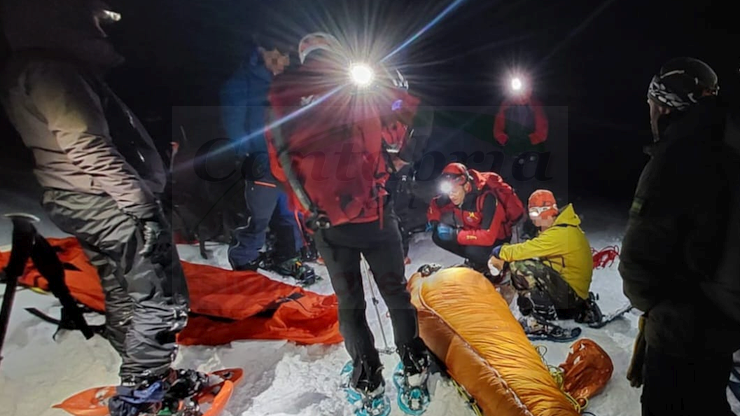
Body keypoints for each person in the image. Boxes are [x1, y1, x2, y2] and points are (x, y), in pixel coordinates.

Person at [0, 1, 202, 415]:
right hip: (105, 200)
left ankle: (146, 373)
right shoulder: (52, 71)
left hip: (82, 198)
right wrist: (141, 204)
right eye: (96, 20)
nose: (103, 30)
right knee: (157, 294)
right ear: (64, 20)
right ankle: (142, 392)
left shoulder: (39, 67)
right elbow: (87, 145)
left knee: (123, 287)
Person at [265, 32, 430, 414]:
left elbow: (280, 163)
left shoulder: (284, 93)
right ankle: (414, 368)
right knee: (396, 296)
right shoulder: (359, 85)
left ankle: (368, 380)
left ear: (303, 56)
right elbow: (398, 134)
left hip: (327, 225)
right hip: (376, 216)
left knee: (350, 304)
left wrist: (308, 210)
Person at [619, 57, 740, 416]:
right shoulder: (729, 150)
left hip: (680, 332)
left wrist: (655, 306)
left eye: (653, 104)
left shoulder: (677, 156)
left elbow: (639, 261)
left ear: (666, 104)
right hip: (724, 326)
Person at [219, 33, 314, 282]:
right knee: (258, 217)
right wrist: (246, 156)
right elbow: (234, 124)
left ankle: (285, 257)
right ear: (261, 51)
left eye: (285, 59)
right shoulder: (242, 83)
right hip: (260, 161)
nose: (282, 63)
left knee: (289, 212)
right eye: (276, 57)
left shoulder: (283, 84)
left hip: (285, 162)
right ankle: (243, 261)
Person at [488, 190, 601, 327]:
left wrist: (500, 251)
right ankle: (533, 309)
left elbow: (527, 249)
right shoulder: (560, 228)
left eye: (534, 213)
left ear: (545, 211)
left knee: (521, 267)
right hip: (574, 293)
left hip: (571, 298)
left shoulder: (560, 234)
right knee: (529, 265)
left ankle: (544, 319)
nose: (532, 218)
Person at [427, 162, 524, 277]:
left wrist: (456, 235)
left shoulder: (488, 199)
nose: (451, 196)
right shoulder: (454, 193)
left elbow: (488, 237)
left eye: (454, 192)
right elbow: (435, 205)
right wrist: (434, 221)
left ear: (466, 186)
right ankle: (477, 261)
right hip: (474, 233)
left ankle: (499, 263)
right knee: (438, 236)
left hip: (496, 241)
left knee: (472, 250)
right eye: (449, 193)